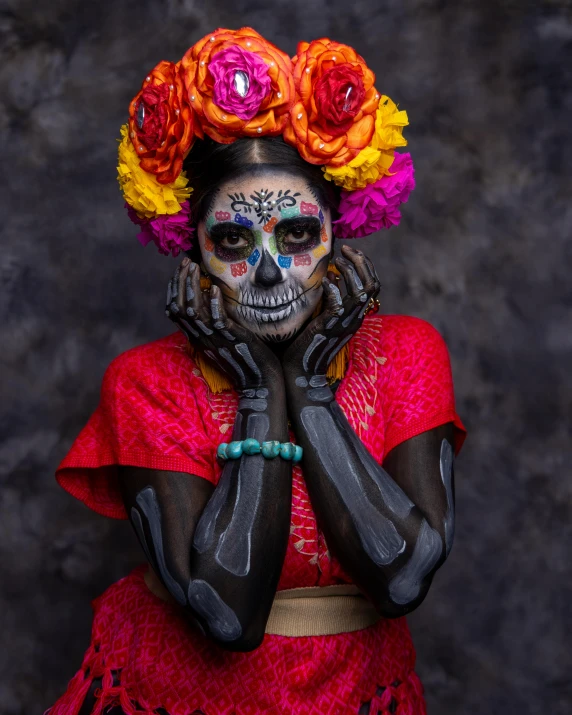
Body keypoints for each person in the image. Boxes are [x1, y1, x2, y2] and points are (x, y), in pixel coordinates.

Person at [48, 27, 466, 715]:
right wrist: (259, 386)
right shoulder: (144, 381)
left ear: (340, 232)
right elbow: (228, 615)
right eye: (234, 241)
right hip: (179, 694)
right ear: (193, 256)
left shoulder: (408, 353)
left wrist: (307, 385)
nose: (270, 272)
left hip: (359, 690)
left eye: (297, 235)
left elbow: (401, 577)